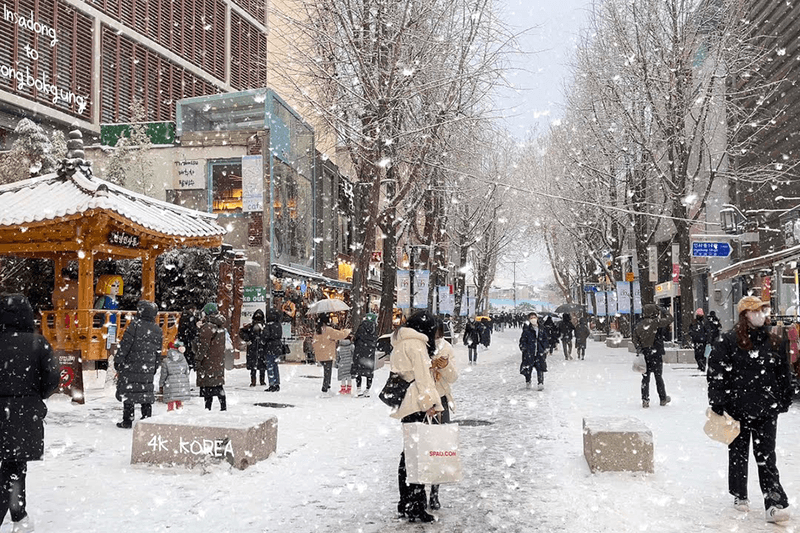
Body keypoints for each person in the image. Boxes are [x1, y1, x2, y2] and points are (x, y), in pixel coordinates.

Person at [708, 296, 794, 523]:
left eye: (763, 311)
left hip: (767, 408)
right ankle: (740, 494)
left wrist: (785, 397)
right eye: (755, 311)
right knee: (738, 453)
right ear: (745, 314)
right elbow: (717, 372)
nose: (760, 315)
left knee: (767, 456)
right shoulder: (728, 341)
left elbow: (783, 373)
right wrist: (718, 401)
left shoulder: (774, 341)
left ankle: (774, 502)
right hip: (737, 408)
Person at [0, 294, 60, 532]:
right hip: (24, 413)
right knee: (15, 466)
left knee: (10, 467)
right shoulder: (38, 342)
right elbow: (52, 378)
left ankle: (18, 514)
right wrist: (36, 396)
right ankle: (18, 514)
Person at [390, 310, 443, 523]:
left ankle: (406, 502)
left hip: (406, 403)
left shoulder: (401, 342)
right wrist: (433, 403)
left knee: (409, 455)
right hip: (416, 402)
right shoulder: (417, 345)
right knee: (416, 456)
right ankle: (415, 505)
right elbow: (423, 379)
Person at [115, 300, 163, 428]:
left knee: (129, 393)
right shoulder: (157, 330)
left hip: (131, 364)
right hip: (148, 366)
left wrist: (118, 360)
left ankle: (127, 421)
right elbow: (158, 351)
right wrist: (155, 365)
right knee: (145, 392)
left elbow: (125, 345)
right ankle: (146, 419)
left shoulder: (134, 326)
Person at [428, 319, 458, 511]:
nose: (437, 337)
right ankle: (416, 493)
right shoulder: (420, 347)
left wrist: (444, 366)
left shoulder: (447, 348)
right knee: (420, 446)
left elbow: (454, 377)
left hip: (441, 401)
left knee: (438, 448)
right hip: (421, 402)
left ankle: (434, 493)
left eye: (439, 333)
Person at [632, 304, 673, 408]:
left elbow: (634, 338)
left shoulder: (639, 324)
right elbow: (670, 319)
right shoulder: (655, 322)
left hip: (645, 354)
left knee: (645, 378)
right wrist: (664, 311)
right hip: (656, 353)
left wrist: (639, 348)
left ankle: (645, 399)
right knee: (658, 376)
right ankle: (663, 398)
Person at [195, 303, 227, 411]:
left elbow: (203, 346)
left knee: (208, 385)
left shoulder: (208, 327)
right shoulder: (219, 325)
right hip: (217, 360)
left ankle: (208, 408)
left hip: (208, 361)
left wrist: (198, 359)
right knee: (217, 384)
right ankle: (223, 407)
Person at [312, 315, 350, 395]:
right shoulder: (328, 330)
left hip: (320, 354)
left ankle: (327, 388)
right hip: (327, 354)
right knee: (328, 373)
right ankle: (325, 389)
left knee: (327, 372)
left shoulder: (317, 330)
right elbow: (340, 335)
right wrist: (346, 331)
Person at [519, 312, 549, 390]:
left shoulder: (542, 328)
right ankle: (528, 381)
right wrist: (524, 348)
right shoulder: (527, 329)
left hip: (539, 351)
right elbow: (523, 340)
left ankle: (540, 382)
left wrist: (545, 347)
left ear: (537, 318)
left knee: (540, 368)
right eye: (531, 318)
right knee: (528, 368)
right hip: (529, 352)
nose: (533, 319)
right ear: (529, 319)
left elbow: (545, 339)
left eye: (534, 317)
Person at [159, 340, 190, 411]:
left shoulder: (166, 361)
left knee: (171, 400)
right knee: (179, 399)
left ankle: (170, 412)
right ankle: (179, 411)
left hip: (170, 384)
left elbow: (163, 374)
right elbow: (187, 371)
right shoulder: (183, 359)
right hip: (181, 383)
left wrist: (161, 384)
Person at [352, 313, 378, 397]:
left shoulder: (361, 327)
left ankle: (359, 389)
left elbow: (356, 338)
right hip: (370, 352)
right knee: (369, 371)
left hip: (360, 351)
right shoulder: (374, 328)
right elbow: (375, 339)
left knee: (359, 370)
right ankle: (367, 390)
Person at [240, 309, 268, 387]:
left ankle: (261, 380)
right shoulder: (251, 326)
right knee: (254, 366)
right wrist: (248, 339)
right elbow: (241, 332)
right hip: (254, 348)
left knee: (261, 365)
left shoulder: (264, 327)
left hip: (260, 348)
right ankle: (254, 381)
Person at [262, 309, 284, 392]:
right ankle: (277, 383)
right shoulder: (278, 324)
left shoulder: (268, 325)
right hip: (278, 346)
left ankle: (272, 384)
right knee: (275, 365)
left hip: (270, 347)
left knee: (270, 365)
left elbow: (266, 335)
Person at [177, 304, 199, 371]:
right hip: (189, 338)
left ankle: (186, 365)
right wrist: (196, 332)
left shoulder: (183, 316)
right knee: (191, 352)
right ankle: (191, 365)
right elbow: (192, 328)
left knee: (184, 352)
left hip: (182, 337)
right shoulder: (190, 317)